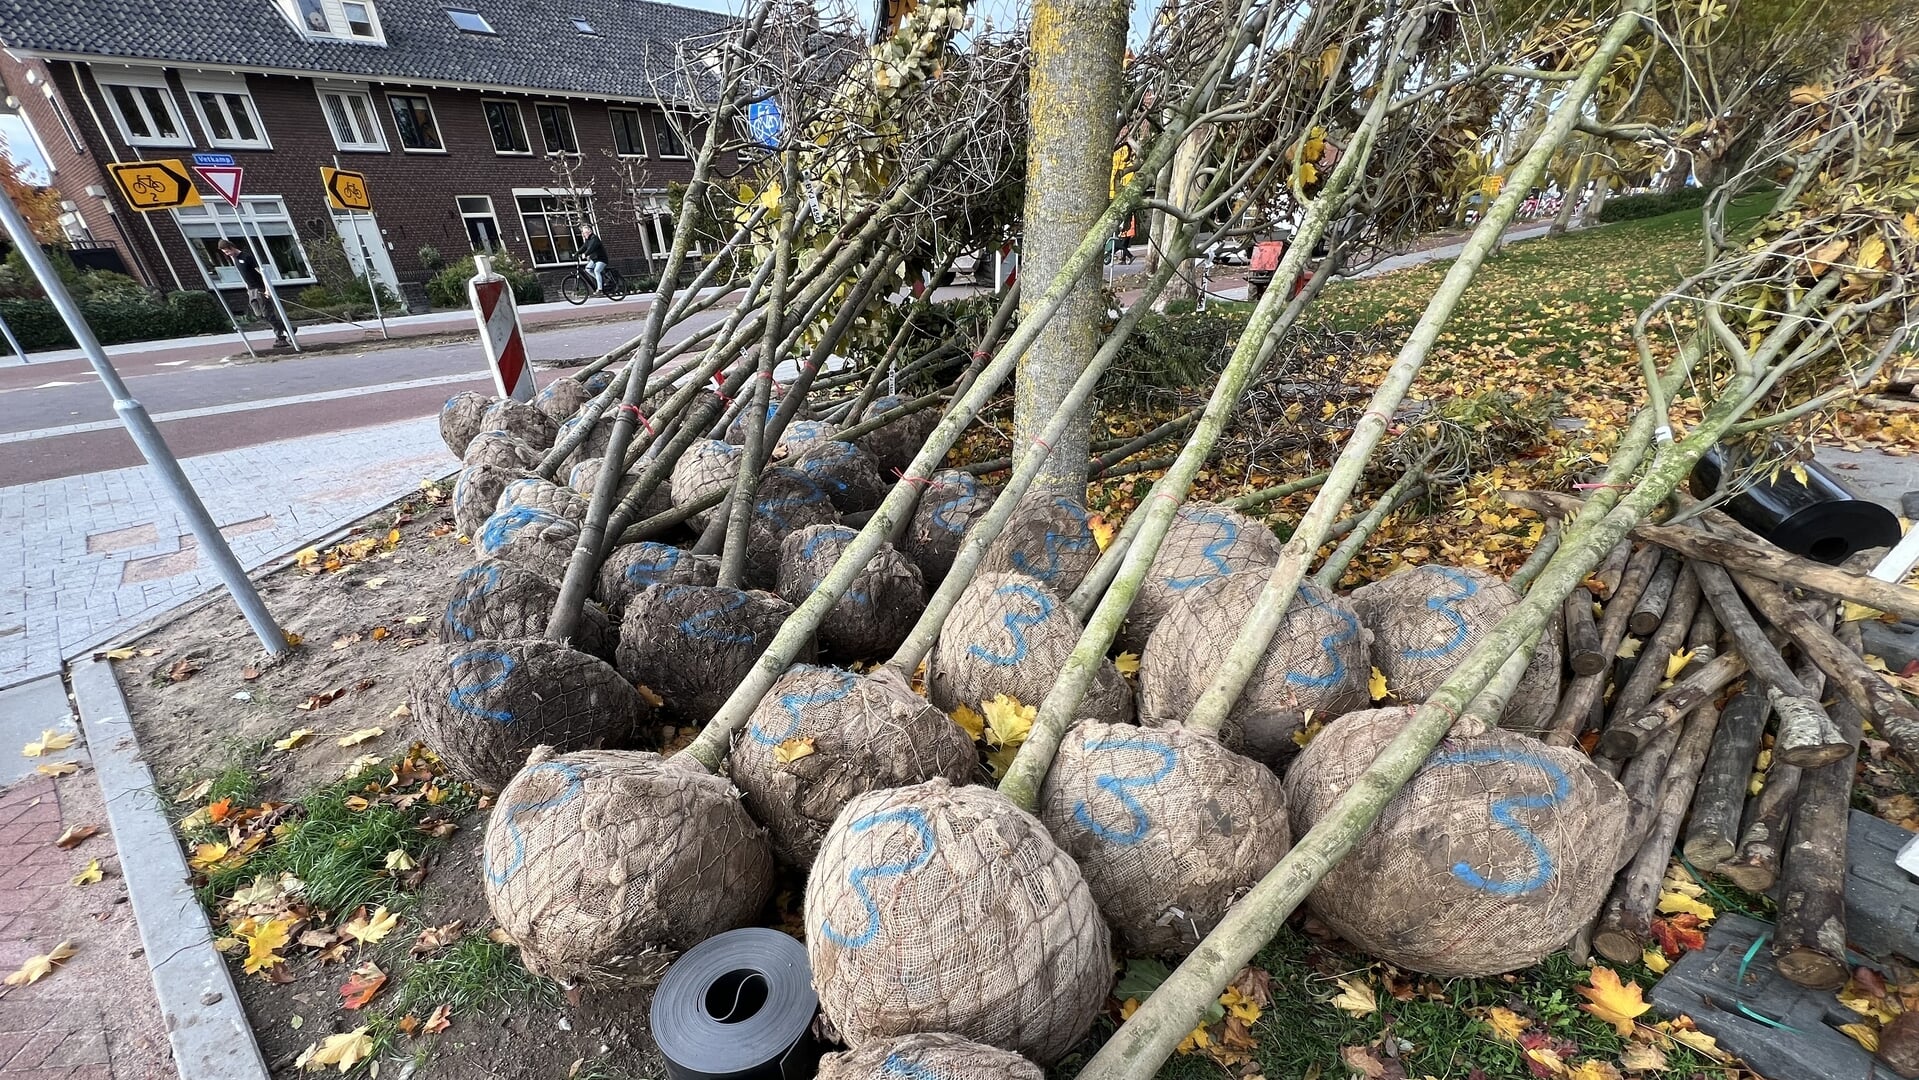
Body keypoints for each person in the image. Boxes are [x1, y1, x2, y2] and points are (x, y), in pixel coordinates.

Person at [218, 239, 289, 346]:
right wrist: (247, 289)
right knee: (259, 315)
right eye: (225, 253)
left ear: (231, 247)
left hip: (259, 288)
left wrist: (267, 289)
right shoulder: (235, 260)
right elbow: (244, 276)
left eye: (227, 252)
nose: (227, 254)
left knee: (268, 314)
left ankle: (281, 338)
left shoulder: (247, 257)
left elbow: (262, 273)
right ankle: (289, 329)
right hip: (251, 290)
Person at [577, 224, 610, 294]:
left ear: (589, 232)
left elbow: (591, 247)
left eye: (584, 233)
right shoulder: (587, 240)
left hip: (601, 259)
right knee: (588, 269)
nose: (583, 235)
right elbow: (584, 247)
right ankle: (601, 280)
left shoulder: (594, 239)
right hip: (594, 259)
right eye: (583, 233)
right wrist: (576, 253)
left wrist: (585, 254)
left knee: (597, 271)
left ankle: (600, 289)